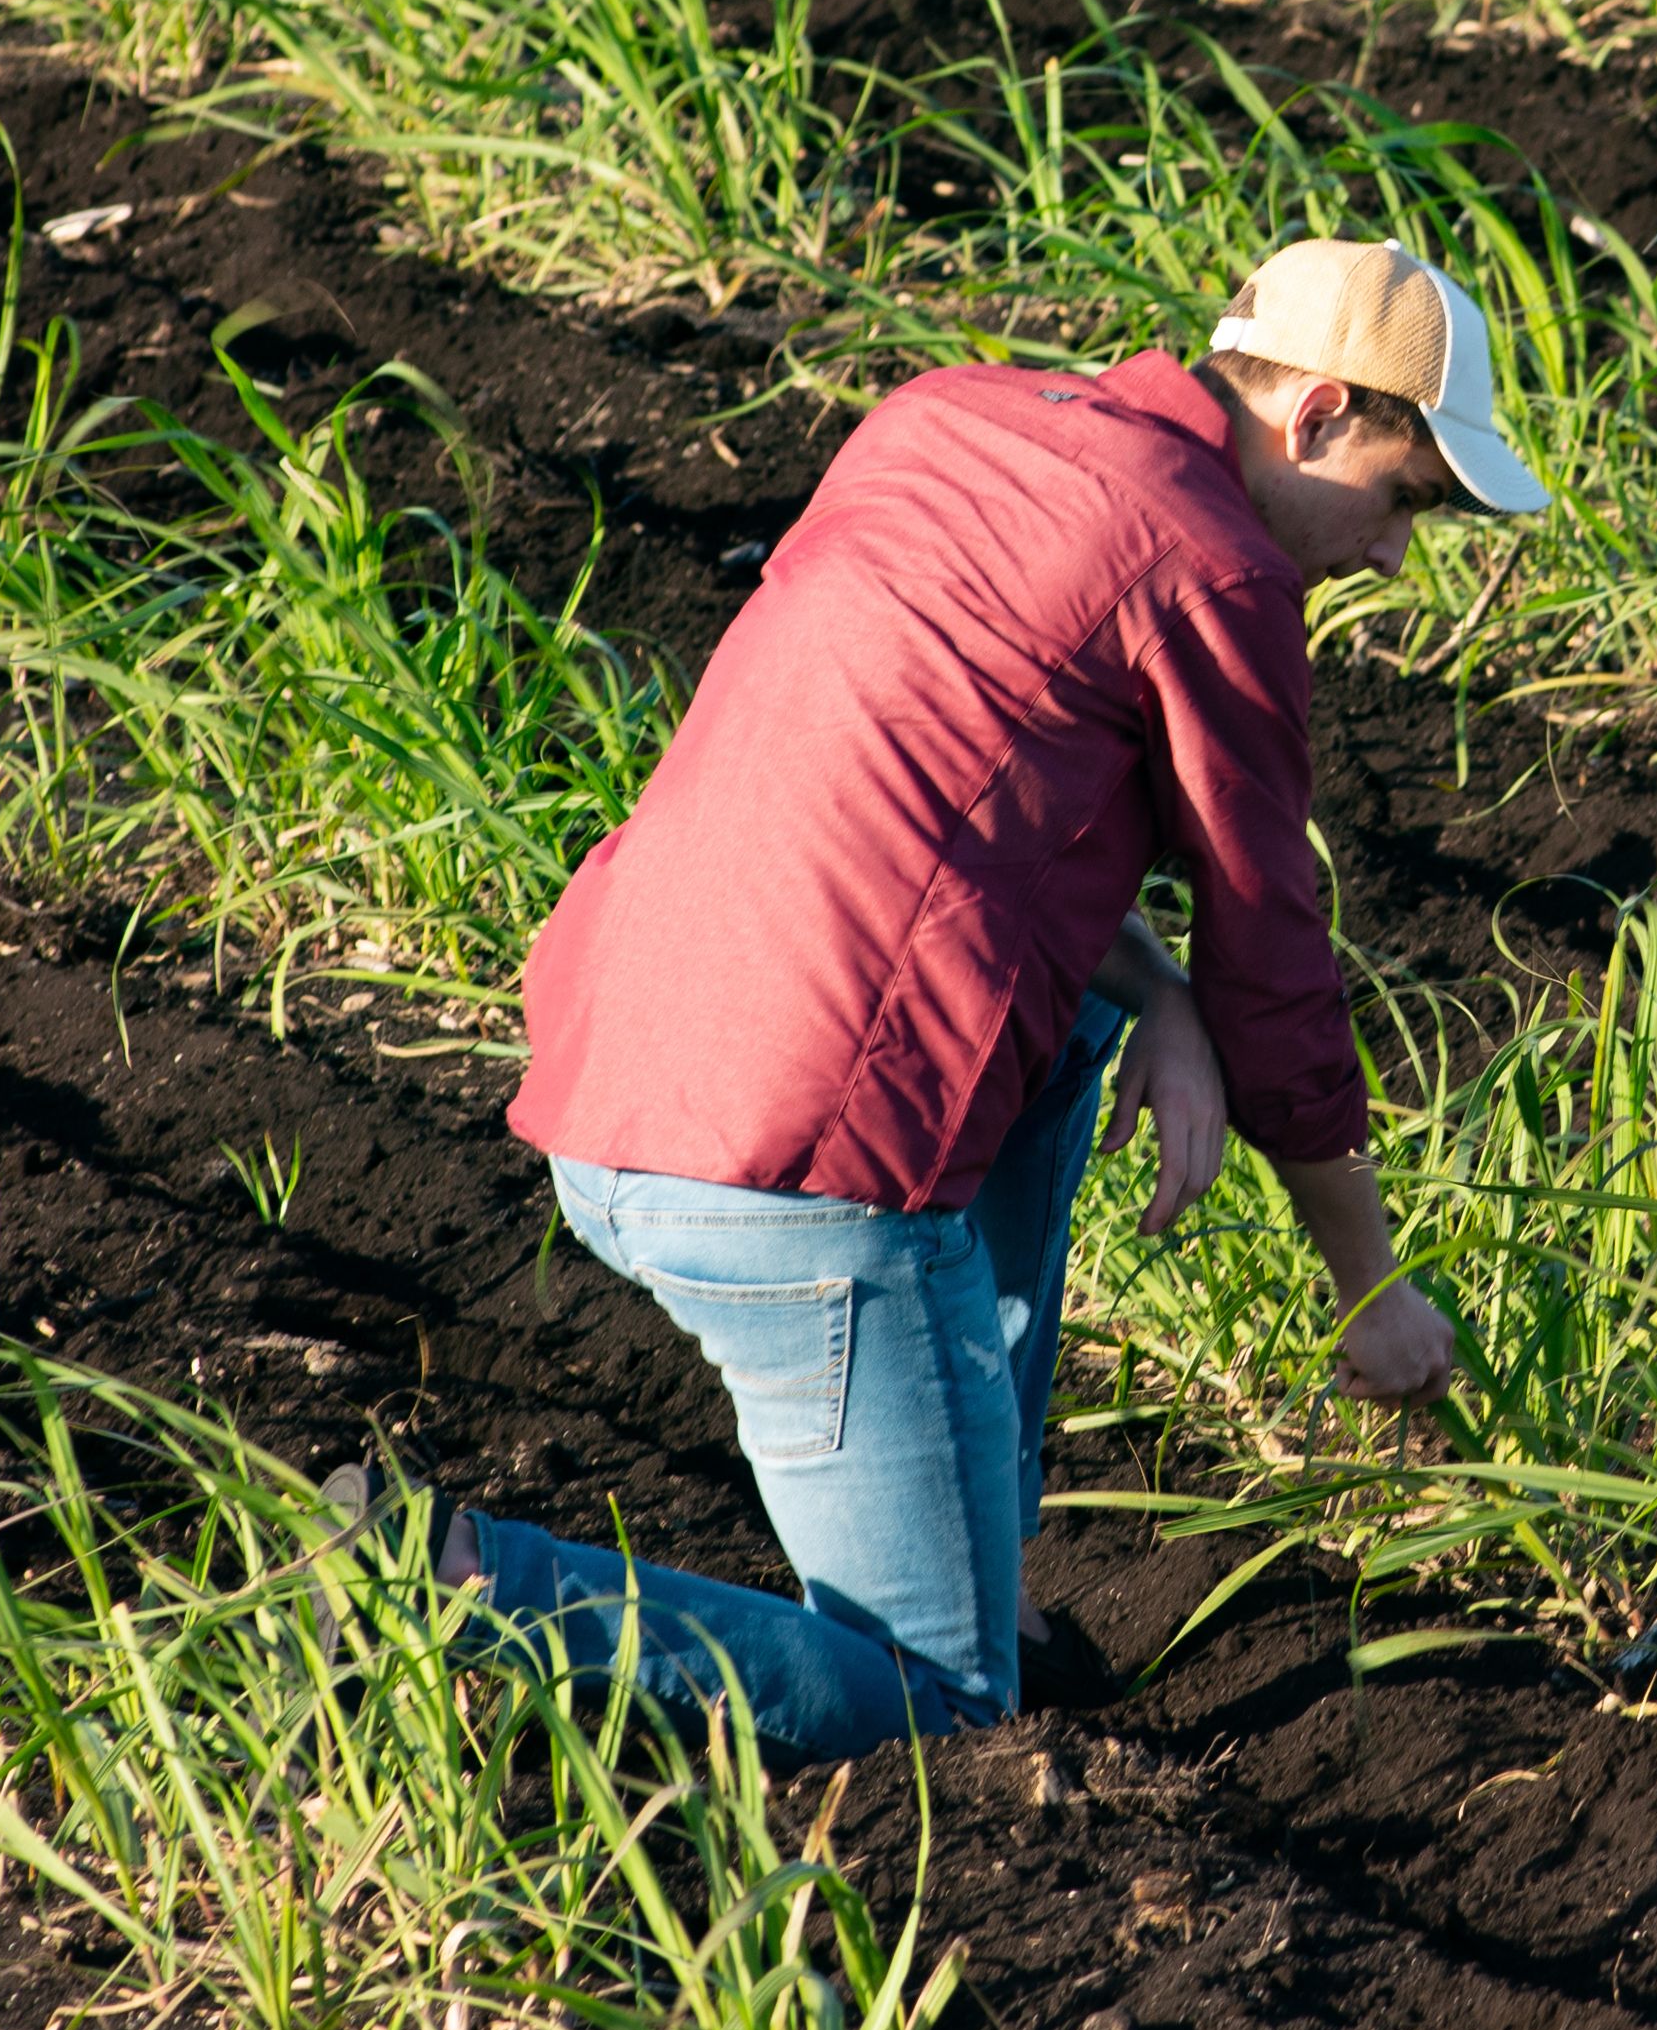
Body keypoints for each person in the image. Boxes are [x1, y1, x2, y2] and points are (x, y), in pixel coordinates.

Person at [346, 237, 1544, 1755]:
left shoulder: (949, 420)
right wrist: (1371, 1295)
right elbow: (1279, 970)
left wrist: (1159, 994)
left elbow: (916, 810)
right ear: (1314, 418)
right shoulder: (1216, 569)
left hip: (612, 1070)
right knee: (946, 1709)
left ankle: (974, 1545)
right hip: (796, 1181)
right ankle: (458, 1580)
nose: (1393, 555)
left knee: (1080, 1029)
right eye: (1406, 501)